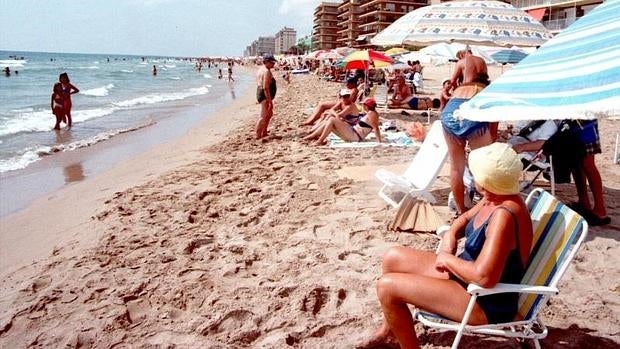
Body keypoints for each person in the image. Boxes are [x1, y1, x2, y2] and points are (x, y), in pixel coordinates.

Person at [358, 142, 533, 349]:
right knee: (393, 257)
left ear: (485, 181)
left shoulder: (504, 214)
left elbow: (484, 277)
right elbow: (464, 218)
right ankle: (390, 332)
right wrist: (450, 237)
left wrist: (448, 260)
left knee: (387, 288)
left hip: (484, 301)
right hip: (466, 281)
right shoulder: (494, 197)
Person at [442, 49, 493, 215]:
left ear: (461, 55)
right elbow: (493, 121)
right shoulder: (482, 63)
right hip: (475, 102)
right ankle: (487, 205)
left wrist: (445, 93)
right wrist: (492, 136)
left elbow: (450, 84)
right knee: (483, 164)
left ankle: (461, 210)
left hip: (452, 107)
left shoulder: (461, 63)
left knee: (456, 167)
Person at [570, 120, 611, 226]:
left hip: (585, 126)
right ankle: (584, 202)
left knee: (588, 164)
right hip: (573, 124)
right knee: (576, 164)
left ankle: (600, 209)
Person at [307, 97, 382, 146]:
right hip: (353, 132)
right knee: (331, 121)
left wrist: (380, 142)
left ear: (367, 106)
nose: (363, 106)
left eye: (364, 105)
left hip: (355, 136)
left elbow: (376, 128)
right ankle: (313, 136)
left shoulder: (372, 114)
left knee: (332, 120)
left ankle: (318, 140)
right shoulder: (371, 113)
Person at [255, 55, 277, 139]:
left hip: (261, 93)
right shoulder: (266, 72)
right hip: (265, 95)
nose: (273, 64)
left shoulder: (261, 69)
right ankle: (258, 135)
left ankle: (264, 131)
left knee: (269, 114)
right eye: (272, 62)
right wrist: (269, 101)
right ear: (266, 62)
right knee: (263, 115)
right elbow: (265, 87)